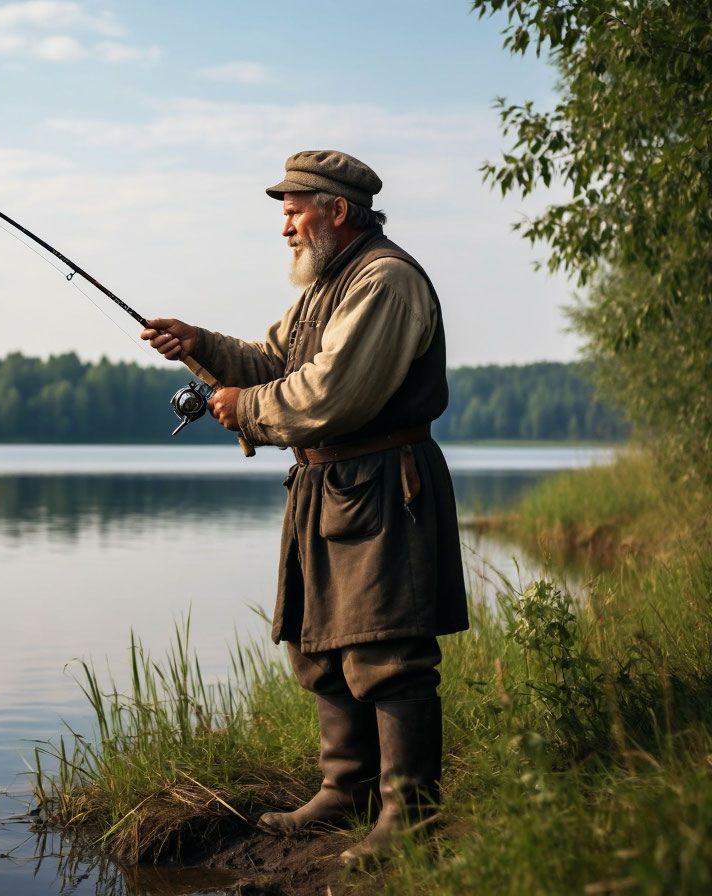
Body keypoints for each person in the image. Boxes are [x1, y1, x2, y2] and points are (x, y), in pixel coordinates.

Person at [141, 150, 468, 864]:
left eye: (293, 209)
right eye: (284, 212)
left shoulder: (385, 281)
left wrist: (244, 409)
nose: (285, 225)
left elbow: (327, 393)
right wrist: (200, 348)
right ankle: (345, 790)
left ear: (336, 210)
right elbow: (273, 361)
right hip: (328, 486)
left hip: (384, 482)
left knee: (387, 651)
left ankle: (408, 817)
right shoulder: (326, 286)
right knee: (317, 643)